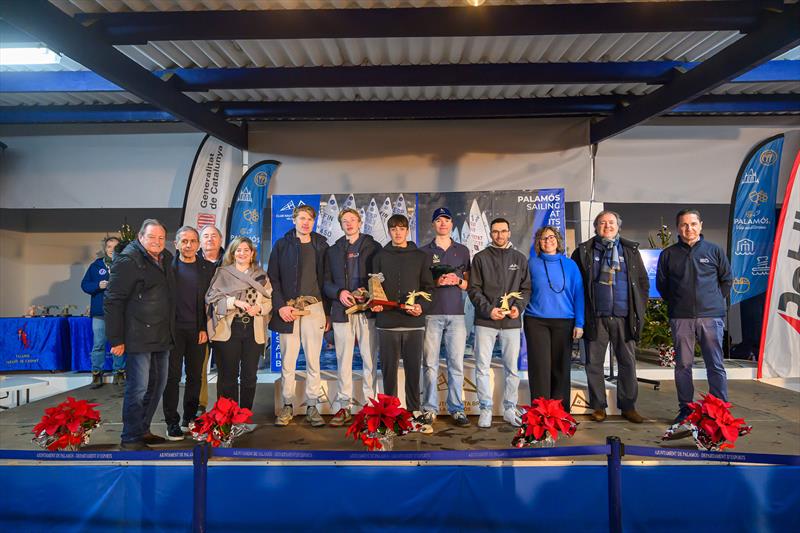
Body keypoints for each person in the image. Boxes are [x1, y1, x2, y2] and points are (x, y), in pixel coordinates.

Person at [105, 219, 175, 451]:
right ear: (140, 236)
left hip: (161, 334)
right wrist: (116, 339)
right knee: (138, 388)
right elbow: (113, 301)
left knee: (157, 385)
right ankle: (130, 437)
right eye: (152, 237)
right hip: (137, 336)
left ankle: (142, 429)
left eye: (161, 238)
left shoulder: (166, 258)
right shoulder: (128, 261)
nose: (157, 241)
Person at [572, 211, 649, 423]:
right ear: (596, 227)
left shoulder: (630, 250)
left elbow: (642, 282)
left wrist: (639, 309)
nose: (607, 226)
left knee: (627, 363)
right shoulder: (584, 251)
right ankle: (598, 406)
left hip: (624, 317)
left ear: (618, 226)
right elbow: (576, 286)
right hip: (596, 317)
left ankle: (628, 406)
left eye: (611, 222)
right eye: (603, 223)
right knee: (594, 364)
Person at [656, 209, 732, 424]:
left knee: (715, 364)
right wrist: (679, 303)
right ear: (678, 228)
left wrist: (712, 301)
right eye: (684, 224)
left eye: (693, 224)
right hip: (681, 318)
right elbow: (662, 285)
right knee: (683, 365)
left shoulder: (714, 251)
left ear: (701, 225)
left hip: (711, 317)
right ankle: (686, 409)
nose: (689, 228)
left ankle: (719, 409)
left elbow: (726, 280)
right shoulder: (668, 254)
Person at [269, 205, 329, 427]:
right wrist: (280, 307)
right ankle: (287, 405)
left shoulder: (321, 245)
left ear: (314, 222)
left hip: (315, 308)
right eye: (302, 218)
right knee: (288, 360)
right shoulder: (281, 245)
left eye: (310, 219)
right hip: (289, 309)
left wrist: (328, 312)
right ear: (294, 220)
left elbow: (327, 279)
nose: (306, 222)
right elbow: (272, 279)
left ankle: (312, 405)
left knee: (313, 360)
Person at [372, 214, 435, 428]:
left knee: (413, 370)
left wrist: (421, 306)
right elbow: (374, 288)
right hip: (386, 323)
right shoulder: (380, 256)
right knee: (388, 372)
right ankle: (389, 412)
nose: (397, 232)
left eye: (401, 228)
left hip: (413, 323)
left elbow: (428, 288)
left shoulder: (420, 256)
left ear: (407, 230)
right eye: (393, 229)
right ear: (389, 231)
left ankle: (414, 410)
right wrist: (375, 305)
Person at [468, 218, 531, 428]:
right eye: (495, 232)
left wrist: (518, 308)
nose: (500, 235)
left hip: (511, 322)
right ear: (490, 234)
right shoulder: (480, 258)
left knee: (512, 368)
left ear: (509, 233)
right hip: (485, 321)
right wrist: (488, 310)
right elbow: (474, 289)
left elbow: (526, 289)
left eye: (503, 231)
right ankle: (485, 409)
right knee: (482, 367)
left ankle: (509, 409)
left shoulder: (519, 258)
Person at [205, 236, 272, 428]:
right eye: (238, 250)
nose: (242, 253)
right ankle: (227, 417)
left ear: (252, 253)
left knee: (249, 376)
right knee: (228, 376)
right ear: (232, 253)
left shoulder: (261, 275)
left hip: (253, 329)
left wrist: (259, 308)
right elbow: (211, 299)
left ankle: (244, 416)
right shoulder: (222, 273)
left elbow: (269, 301)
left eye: (246, 250)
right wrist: (234, 302)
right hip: (229, 329)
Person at [323, 208, 381, 426]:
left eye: (353, 220)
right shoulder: (333, 250)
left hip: (367, 311)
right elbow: (326, 282)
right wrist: (339, 292)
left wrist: (369, 292)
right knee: (343, 360)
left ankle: (370, 407)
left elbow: (380, 277)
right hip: (341, 311)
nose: (349, 224)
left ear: (360, 222)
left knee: (369, 359)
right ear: (341, 225)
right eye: (345, 221)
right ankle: (344, 406)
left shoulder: (374, 247)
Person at [419, 207, 471, 427]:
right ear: (433, 224)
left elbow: (469, 284)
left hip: (457, 316)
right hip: (431, 314)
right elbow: (419, 284)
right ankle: (429, 409)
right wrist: (436, 282)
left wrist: (458, 281)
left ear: (451, 224)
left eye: (446, 220)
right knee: (430, 364)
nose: (443, 224)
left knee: (456, 364)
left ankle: (456, 408)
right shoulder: (423, 251)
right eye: (439, 220)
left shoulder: (463, 250)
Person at [162, 226, 215, 440]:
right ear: (176, 244)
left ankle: (190, 418)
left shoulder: (207, 268)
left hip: (197, 332)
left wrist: (204, 328)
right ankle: (172, 422)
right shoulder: (167, 268)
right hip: (173, 332)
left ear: (199, 244)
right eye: (184, 241)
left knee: (195, 377)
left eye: (193, 241)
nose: (189, 245)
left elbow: (209, 302)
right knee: (172, 377)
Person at [524, 226, 584, 414]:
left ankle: (560, 413)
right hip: (536, 321)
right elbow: (523, 290)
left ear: (557, 240)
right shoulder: (531, 264)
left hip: (564, 321)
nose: (548, 241)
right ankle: (539, 413)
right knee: (539, 368)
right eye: (543, 238)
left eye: (551, 237)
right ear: (538, 243)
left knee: (561, 367)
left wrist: (579, 323)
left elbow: (579, 294)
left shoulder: (570, 265)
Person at [80, 236, 123, 389]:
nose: (112, 249)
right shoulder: (96, 266)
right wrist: (98, 285)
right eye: (109, 246)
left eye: (115, 247)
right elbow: (85, 285)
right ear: (105, 249)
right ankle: (97, 374)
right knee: (98, 344)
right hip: (100, 312)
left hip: (119, 312)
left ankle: (119, 372)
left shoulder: (125, 265)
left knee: (119, 343)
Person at [197, 225, 225, 415]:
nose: (210, 239)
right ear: (200, 241)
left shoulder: (230, 261)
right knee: (199, 367)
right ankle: (200, 405)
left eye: (214, 235)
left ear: (220, 240)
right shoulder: (192, 261)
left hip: (224, 322)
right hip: (199, 322)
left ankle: (225, 407)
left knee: (226, 367)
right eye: (206, 236)